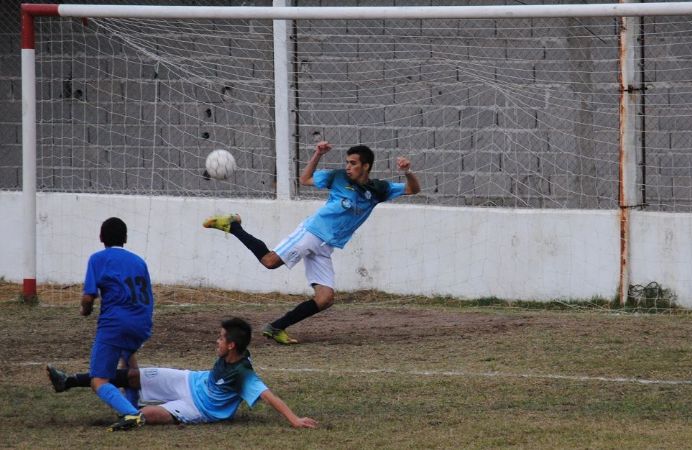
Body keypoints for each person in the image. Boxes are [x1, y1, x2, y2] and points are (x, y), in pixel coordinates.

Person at [202, 141, 420, 345]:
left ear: (366, 166)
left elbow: (413, 190)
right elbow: (305, 179)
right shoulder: (337, 178)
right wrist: (318, 154)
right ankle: (234, 226)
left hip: (326, 246)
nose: (347, 167)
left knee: (325, 299)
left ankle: (276, 327)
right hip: (312, 233)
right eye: (347, 162)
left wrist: (407, 171)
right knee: (270, 261)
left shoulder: (379, 189)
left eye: (353, 164)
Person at [47, 317, 318, 431]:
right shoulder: (233, 353)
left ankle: (130, 417)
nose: (217, 341)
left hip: (199, 408)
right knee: (131, 375)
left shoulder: (243, 373)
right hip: (189, 379)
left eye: (221, 338)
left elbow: (269, 396)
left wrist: (294, 419)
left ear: (232, 345)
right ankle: (68, 381)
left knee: (151, 416)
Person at [75, 217, 155, 430]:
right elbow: (147, 293)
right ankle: (131, 404)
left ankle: (132, 414)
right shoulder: (139, 261)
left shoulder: (97, 259)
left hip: (115, 324)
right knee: (129, 364)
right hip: (142, 322)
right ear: (126, 238)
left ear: (101, 237)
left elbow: (88, 297)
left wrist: (85, 310)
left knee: (99, 380)